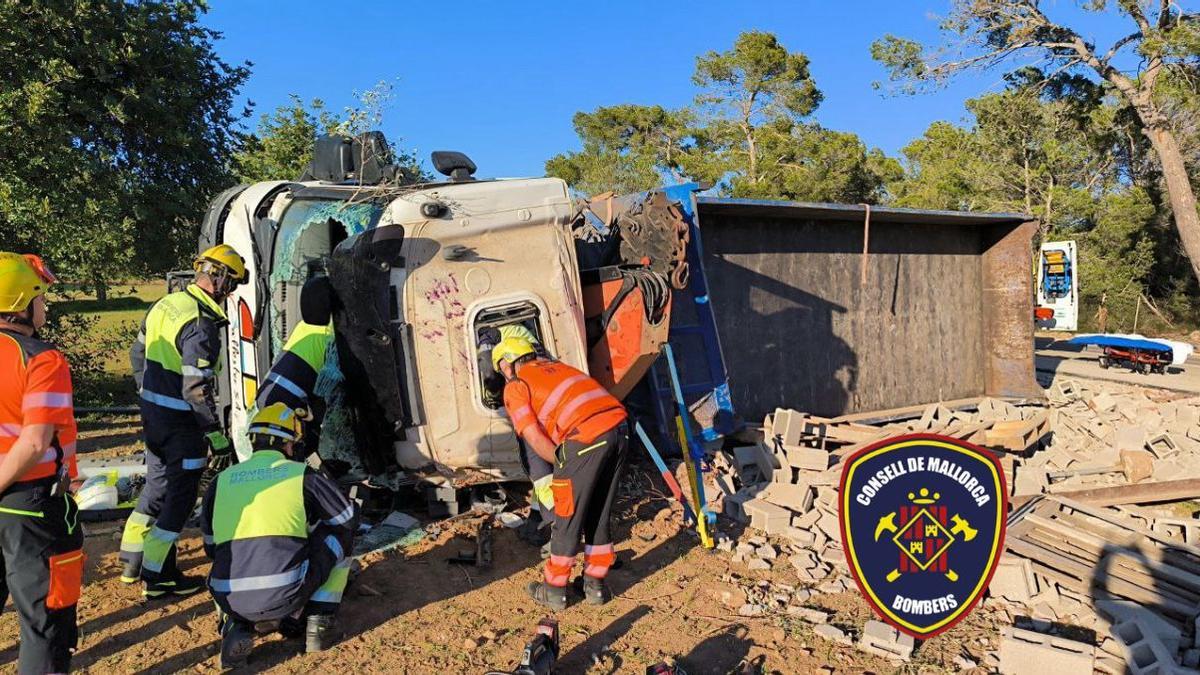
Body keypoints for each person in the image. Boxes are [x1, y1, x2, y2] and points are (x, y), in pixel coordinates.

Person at [120, 244, 247, 598]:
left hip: (154, 418)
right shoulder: (200, 324)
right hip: (182, 424)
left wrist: (147, 392)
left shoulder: (167, 304)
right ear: (220, 279)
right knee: (180, 496)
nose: (230, 292)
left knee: (157, 486)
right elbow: (196, 388)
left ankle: (131, 561)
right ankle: (160, 578)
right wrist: (215, 435)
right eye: (231, 284)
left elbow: (137, 352)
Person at [201, 403, 356, 668]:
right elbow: (346, 520)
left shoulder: (221, 481)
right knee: (340, 535)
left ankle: (236, 625)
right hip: (288, 592)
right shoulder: (301, 475)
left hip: (230, 597)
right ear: (290, 444)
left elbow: (211, 547)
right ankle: (319, 622)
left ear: (253, 441)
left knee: (225, 559)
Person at [492, 336, 630, 610]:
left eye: (501, 369)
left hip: (585, 438)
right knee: (598, 513)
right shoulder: (561, 368)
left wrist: (561, 462)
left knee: (566, 518)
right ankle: (595, 586)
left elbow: (533, 435)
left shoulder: (516, 385)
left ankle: (555, 590)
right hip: (620, 430)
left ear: (507, 364)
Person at [0, 252, 84, 674]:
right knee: (43, 622)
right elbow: (33, 442)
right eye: (40, 297)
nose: (44, 307)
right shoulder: (42, 358)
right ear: (20, 304)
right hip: (28, 506)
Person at [476, 325, 554, 545]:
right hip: (552, 415)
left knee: (542, 476)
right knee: (545, 480)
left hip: (536, 418)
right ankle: (540, 520)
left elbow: (490, 374)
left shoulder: (490, 340)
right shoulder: (521, 332)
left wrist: (494, 394)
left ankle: (553, 531)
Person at [254, 275, 334, 456]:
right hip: (286, 403)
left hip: (266, 396)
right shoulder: (329, 336)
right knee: (300, 447)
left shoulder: (303, 328)